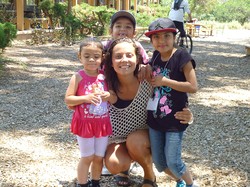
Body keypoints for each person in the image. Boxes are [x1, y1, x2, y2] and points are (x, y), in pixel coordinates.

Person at [104, 37, 194, 187]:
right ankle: (125, 168)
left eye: (129, 55)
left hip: (146, 135)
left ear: (138, 58)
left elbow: (173, 97)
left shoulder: (149, 80)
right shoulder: (105, 84)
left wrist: (189, 115)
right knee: (114, 164)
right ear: (111, 62)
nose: (124, 60)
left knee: (135, 141)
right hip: (118, 137)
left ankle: (149, 176)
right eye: (118, 56)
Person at [144, 18, 198, 187]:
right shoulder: (155, 56)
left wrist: (165, 81)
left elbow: (193, 87)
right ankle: (179, 181)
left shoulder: (182, 56)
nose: (161, 41)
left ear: (174, 36)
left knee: (173, 161)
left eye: (166, 36)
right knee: (159, 163)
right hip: (155, 119)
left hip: (175, 119)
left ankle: (191, 185)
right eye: (156, 37)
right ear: (151, 40)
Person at [64, 38, 117, 187]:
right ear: (79, 56)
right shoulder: (78, 76)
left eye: (96, 56)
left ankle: (95, 182)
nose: (92, 60)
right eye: (87, 56)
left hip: (102, 124)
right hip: (84, 124)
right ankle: (82, 183)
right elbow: (68, 99)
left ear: (102, 57)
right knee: (87, 157)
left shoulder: (105, 77)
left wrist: (109, 95)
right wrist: (86, 98)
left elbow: (114, 98)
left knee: (99, 157)